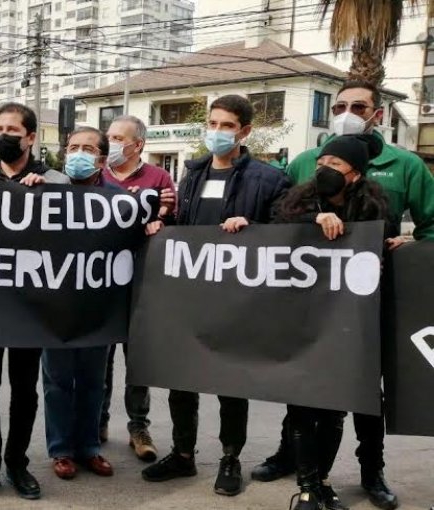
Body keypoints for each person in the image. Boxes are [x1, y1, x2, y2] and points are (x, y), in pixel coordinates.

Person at [253, 81, 434, 510]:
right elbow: (277, 222)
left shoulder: (406, 165)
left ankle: (372, 472)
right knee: (304, 395)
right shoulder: (301, 164)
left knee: (363, 397)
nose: (347, 111)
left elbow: (429, 227)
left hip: (365, 311)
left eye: (358, 106)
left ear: (378, 114)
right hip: (308, 313)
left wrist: (413, 249)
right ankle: (299, 470)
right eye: (340, 105)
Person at [140, 95, 290, 497]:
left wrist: (253, 226)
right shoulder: (192, 176)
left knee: (231, 384)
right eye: (213, 123)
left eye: (227, 125)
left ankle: (230, 458)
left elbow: (286, 233)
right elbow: (185, 226)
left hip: (239, 302)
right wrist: (162, 223)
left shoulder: (269, 179)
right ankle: (183, 455)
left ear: (245, 131)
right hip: (191, 299)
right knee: (181, 382)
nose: (218, 132)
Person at [0, 102, 69, 506]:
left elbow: (72, 240)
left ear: (31, 138)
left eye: (12, 129)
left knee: (25, 389)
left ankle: (17, 463)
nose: (3, 134)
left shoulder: (55, 182)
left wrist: (46, 199)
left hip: (30, 303)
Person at [272, 133, 390, 510]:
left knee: (334, 409)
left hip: (346, 327)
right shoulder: (300, 201)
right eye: (322, 163)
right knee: (302, 406)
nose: (324, 170)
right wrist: (313, 218)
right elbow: (275, 226)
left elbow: (378, 247)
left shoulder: (371, 209)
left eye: (335, 165)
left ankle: (323, 480)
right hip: (303, 322)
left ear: (354, 174)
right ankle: (306, 487)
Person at [99, 114, 177, 460]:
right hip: (99, 285)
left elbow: (171, 219)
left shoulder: (159, 178)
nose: (111, 143)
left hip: (141, 284)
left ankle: (138, 427)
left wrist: (161, 221)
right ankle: (96, 423)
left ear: (138, 145)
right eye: (109, 137)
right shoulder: (95, 176)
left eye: (118, 138)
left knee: (137, 361)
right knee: (99, 359)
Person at [41, 126, 116, 481]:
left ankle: (89, 447)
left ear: (101, 159)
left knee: (92, 381)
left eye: (87, 148)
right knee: (57, 382)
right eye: (72, 147)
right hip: (55, 307)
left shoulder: (121, 201)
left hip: (97, 309)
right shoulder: (45, 194)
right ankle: (60, 450)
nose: (78, 154)